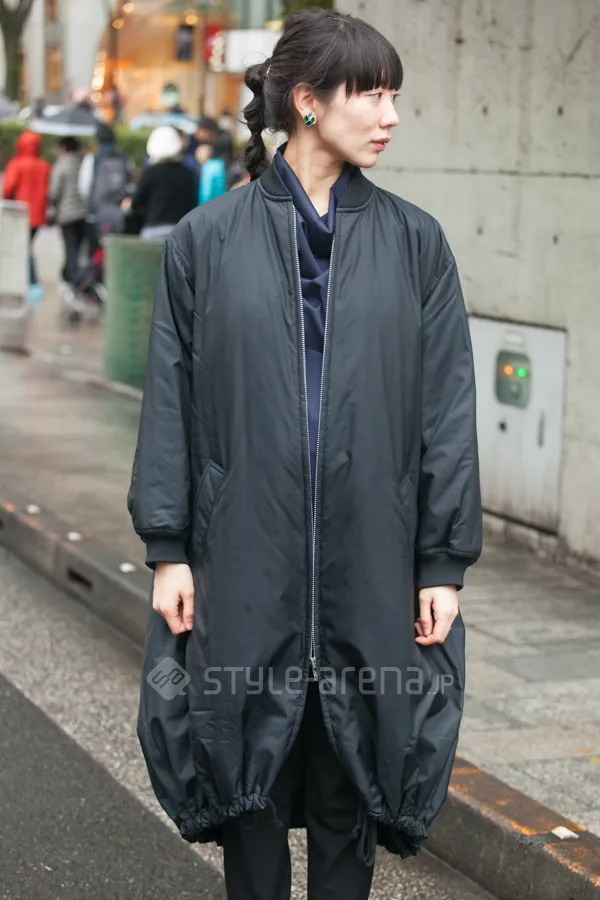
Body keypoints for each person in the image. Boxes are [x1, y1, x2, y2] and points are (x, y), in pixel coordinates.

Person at [127, 9, 482, 900]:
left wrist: (440, 563)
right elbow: (170, 401)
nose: (390, 116)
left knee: (350, 783)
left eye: (395, 96)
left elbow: (446, 410)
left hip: (373, 560)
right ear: (308, 101)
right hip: (243, 556)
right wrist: (168, 548)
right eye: (373, 94)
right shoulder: (208, 239)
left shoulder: (416, 243)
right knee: (248, 782)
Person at [2, 130, 50, 303]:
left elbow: (8, 188)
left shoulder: (17, 164)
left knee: (23, 248)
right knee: (26, 247)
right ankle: (29, 282)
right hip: (38, 215)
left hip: (18, 214)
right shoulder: (44, 165)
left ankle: (32, 283)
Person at [129, 125, 197, 240]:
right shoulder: (188, 172)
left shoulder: (151, 172)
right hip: (181, 230)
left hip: (153, 229)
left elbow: (137, 202)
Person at [78, 123, 133, 248]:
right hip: (119, 214)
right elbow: (130, 187)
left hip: (96, 213)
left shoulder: (93, 159)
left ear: (97, 140)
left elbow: (84, 187)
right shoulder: (124, 159)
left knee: (95, 252)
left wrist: (89, 207)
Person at [48, 136, 87, 286]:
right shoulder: (82, 162)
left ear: (63, 148)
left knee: (70, 247)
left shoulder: (61, 164)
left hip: (67, 213)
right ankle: (70, 273)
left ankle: (73, 279)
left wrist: (52, 206)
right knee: (77, 247)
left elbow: (54, 190)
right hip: (83, 212)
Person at [196, 133, 229, 204]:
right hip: (227, 203)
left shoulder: (209, 166)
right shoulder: (228, 165)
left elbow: (206, 192)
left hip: (213, 205)